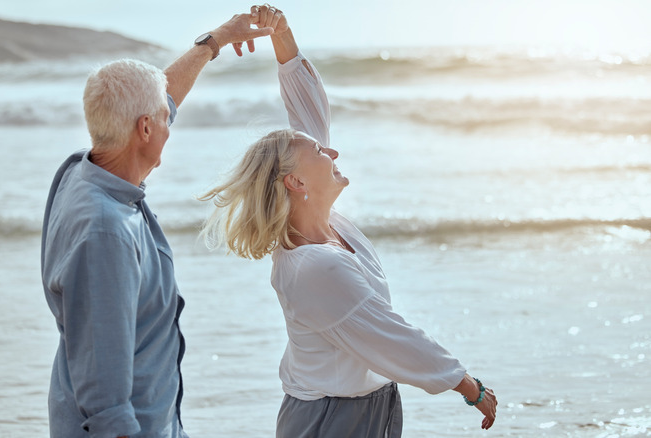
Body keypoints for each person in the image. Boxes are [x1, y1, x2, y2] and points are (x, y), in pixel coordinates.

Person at [200, 5, 498, 437]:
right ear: (297, 181)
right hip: (331, 418)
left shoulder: (325, 221)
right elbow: (392, 337)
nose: (333, 152)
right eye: (322, 153)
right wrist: (469, 386)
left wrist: (281, 35)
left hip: (369, 405)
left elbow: (309, 113)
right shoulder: (316, 266)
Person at [39, 12, 275, 438]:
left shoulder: (83, 167)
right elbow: (105, 401)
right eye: (162, 119)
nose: (171, 122)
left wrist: (216, 41)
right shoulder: (105, 234)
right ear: (145, 129)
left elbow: (162, 99)